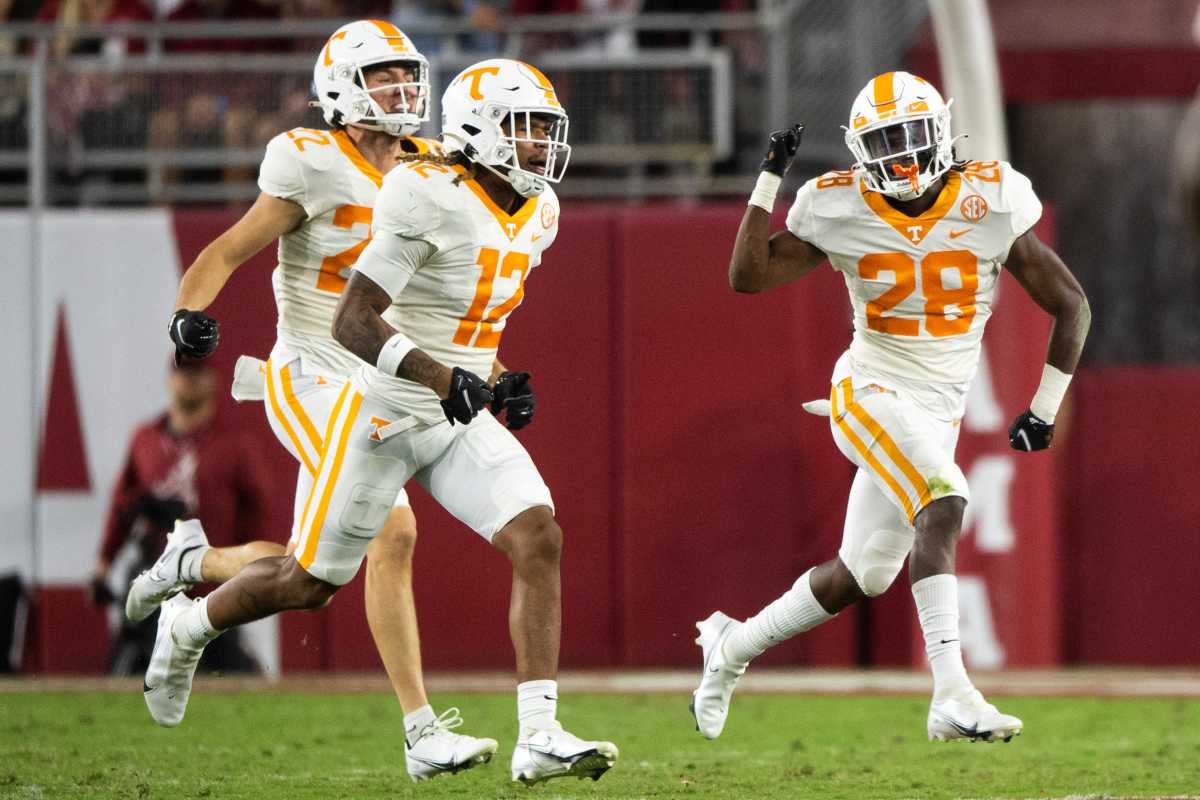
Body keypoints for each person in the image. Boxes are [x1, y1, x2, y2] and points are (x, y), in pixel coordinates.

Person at [144, 57, 618, 788]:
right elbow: (354, 320)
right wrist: (441, 378)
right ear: (482, 131)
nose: (541, 146)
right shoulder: (422, 192)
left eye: (545, 131)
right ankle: (188, 623)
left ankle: (540, 733)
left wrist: (498, 381)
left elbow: (465, 328)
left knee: (538, 536)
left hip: (448, 404)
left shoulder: (540, 212)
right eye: (526, 130)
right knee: (309, 581)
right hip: (378, 406)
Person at [691, 71, 1091, 743]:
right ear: (858, 148)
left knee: (863, 575)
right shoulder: (838, 206)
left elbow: (1070, 303)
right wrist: (768, 179)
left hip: (936, 411)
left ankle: (730, 648)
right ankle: (952, 694)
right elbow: (747, 276)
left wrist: (1045, 407)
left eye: (911, 137)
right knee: (945, 498)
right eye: (884, 142)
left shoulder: (989, 198)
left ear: (941, 132)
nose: (901, 156)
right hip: (869, 391)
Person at [91, 360, 273, 676]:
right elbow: (122, 507)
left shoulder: (234, 444)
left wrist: (254, 572)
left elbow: (258, 514)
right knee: (131, 673)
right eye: (181, 372)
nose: (187, 380)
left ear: (212, 379)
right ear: (169, 378)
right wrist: (103, 565)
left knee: (234, 679)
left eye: (196, 372)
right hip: (155, 586)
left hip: (214, 592)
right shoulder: (145, 439)